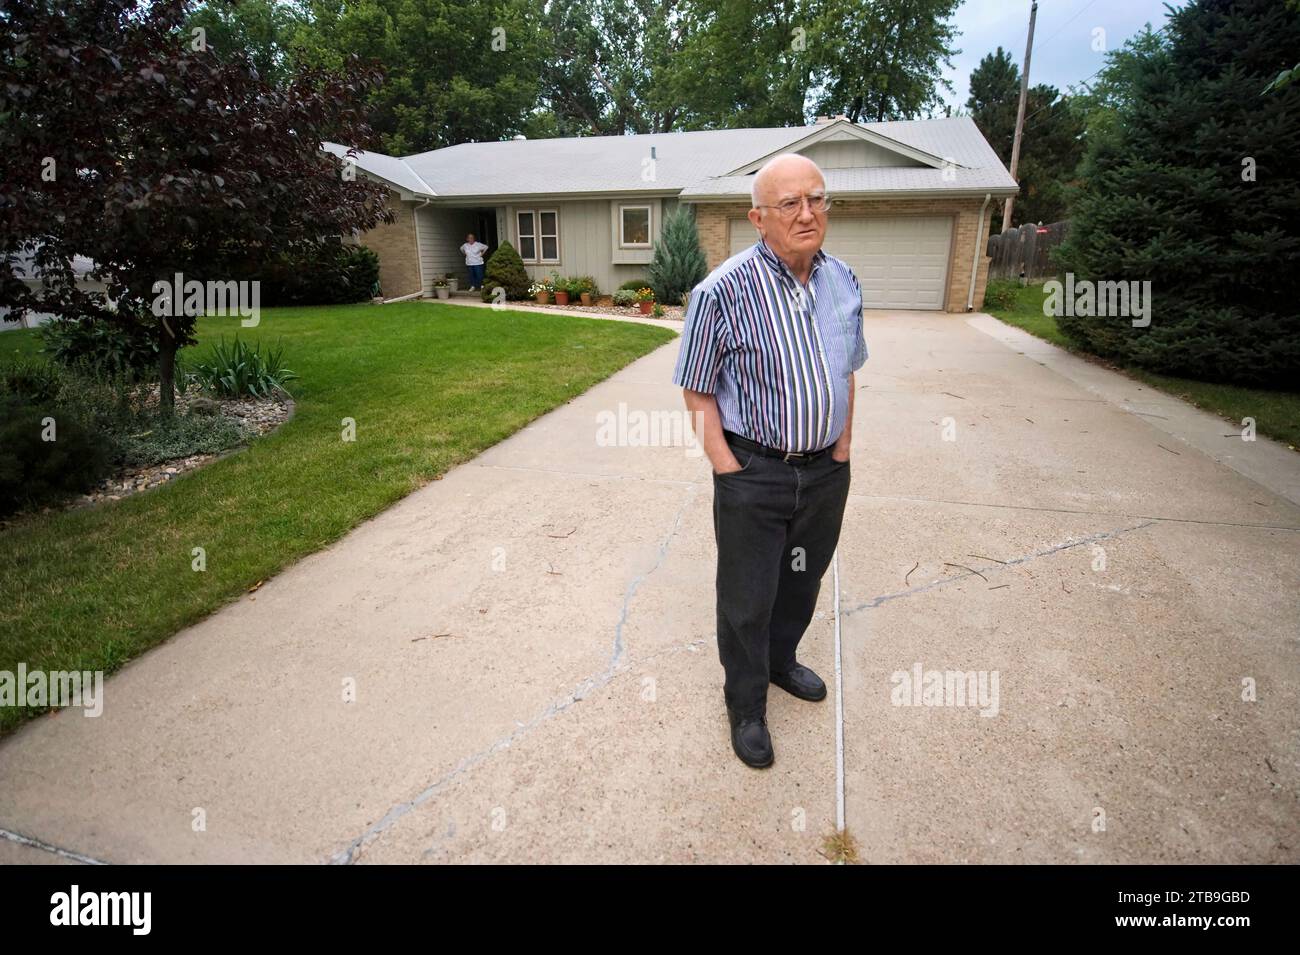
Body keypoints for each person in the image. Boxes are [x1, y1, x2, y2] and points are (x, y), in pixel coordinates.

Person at [671, 153, 867, 769]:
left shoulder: (844, 280)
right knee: (747, 598)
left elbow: (848, 371)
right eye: (790, 203)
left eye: (816, 199)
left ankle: (780, 662)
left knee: (801, 583)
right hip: (755, 474)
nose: (807, 213)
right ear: (759, 218)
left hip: (825, 473)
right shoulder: (722, 291)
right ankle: (746, 703)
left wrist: (842, 446)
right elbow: (696, 387)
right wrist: (728, 469)